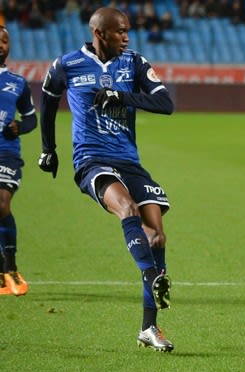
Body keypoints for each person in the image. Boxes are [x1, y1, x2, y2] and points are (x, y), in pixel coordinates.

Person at [39, 7, 176, 352]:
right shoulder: (67, 65)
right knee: (127, 208)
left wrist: (122, 96)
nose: (127, 37)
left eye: (128, 31)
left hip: (129, 161)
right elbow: (48, 101)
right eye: (120, 32)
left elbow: (166, 103)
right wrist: (48, 150)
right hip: (91, 160)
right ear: (100, 34)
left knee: (157, 237)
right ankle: (149, 274)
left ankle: (149, 328)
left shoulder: (134, 64)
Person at [0, 26, 37, 297]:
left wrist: (19, 128)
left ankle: (10, 265)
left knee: (1, 204)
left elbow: (31, 119)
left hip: (6, 151)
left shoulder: (18, 82)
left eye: (5, 40)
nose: (1, 44)